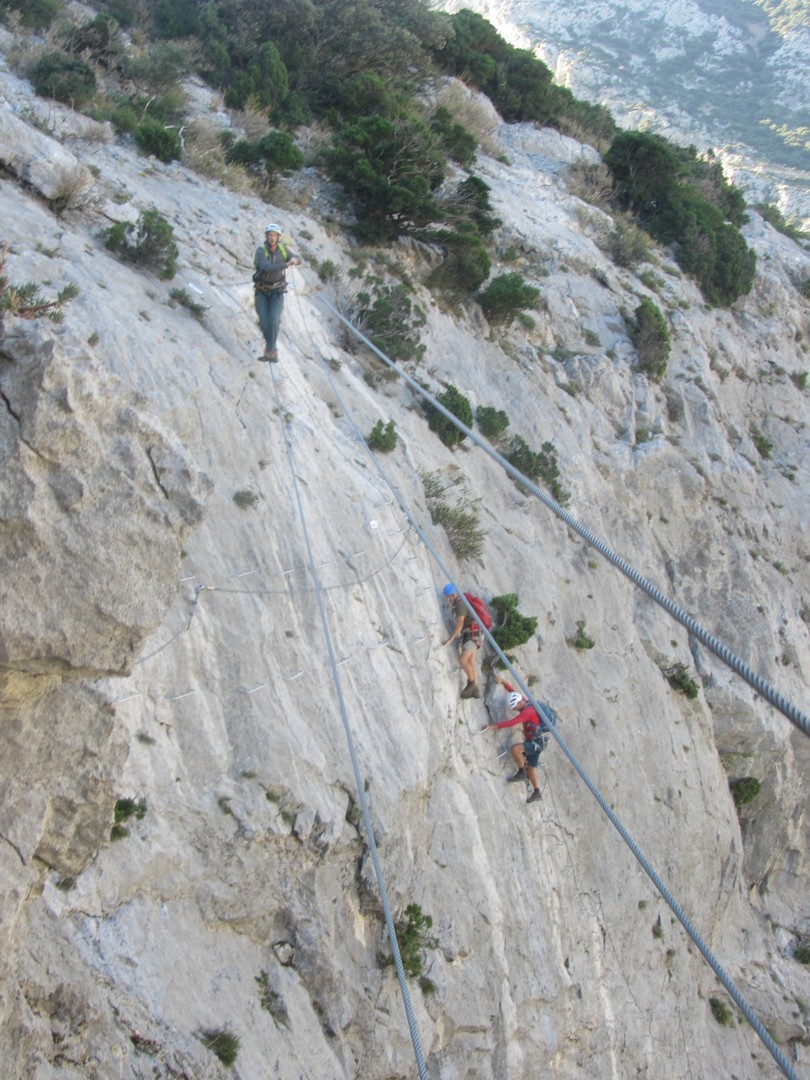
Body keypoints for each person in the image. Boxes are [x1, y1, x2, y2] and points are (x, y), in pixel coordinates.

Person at [483, 673, 551, 804]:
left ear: (519, 704)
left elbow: (513, 722)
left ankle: (521, 771)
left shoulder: (527, 711)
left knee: (515, 749)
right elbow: (513, 692)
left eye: (515, 707)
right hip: (538, 741)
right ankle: (537, 792)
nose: (515, 709)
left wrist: (494, 726)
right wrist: (503, 683)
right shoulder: (525, 702)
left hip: (536, 742)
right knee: (531, 767)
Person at [253, 223, 300, 362]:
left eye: (274, 235)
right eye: (270, 235)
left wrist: (295, 259)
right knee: (263, 322)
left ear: (278, 237)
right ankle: (270, 349)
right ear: (266, 236)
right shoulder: (261, 251)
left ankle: (271, 350)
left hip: (277, 291)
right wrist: (286, 264)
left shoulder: (283, 250)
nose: (272, 238)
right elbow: (265, 267)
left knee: (274, 319)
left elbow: (296, 258)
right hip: (262, 290)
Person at [441, 583, 483, 699]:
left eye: (449, 596)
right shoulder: (459, 602)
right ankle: (475, 691)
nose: (448, 599)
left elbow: (460, 624)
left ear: (455, 594)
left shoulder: (460, 604)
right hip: (472, 634)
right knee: (470, 661)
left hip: (472, 635)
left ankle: (472, 684)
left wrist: (450, 639)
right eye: (447, 597)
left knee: (462, 659)